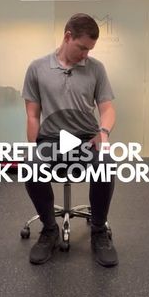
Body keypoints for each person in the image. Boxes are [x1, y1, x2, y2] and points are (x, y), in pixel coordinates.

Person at [22, 13, 118, 267]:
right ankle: (50, 229)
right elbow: (32, 115)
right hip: (50, 138)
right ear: (67, 37)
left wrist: (103, 133)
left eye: (90, 49)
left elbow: (107, 109)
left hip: (86, 138)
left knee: (106, 166)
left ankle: (98, 231)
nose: (86, 54)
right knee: (31, 169)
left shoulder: (96, 68)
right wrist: (32, 148)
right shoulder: (37, 68)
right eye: (82, 47)